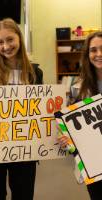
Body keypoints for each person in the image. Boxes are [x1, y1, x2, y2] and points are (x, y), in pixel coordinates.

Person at [0, 18, 43, 200]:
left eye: (10, 39)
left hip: (24, 146)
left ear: (19, 39)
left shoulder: (35, 73)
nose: (6, 46)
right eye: (0, 42)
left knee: (23, 194)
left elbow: (42, 109)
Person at [58, 31, 102, 200]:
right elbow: (70, 128)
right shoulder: (78, 88)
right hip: (93, 164)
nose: (99, 54)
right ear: (87, 54)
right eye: (93, 50)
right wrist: (66, 138)